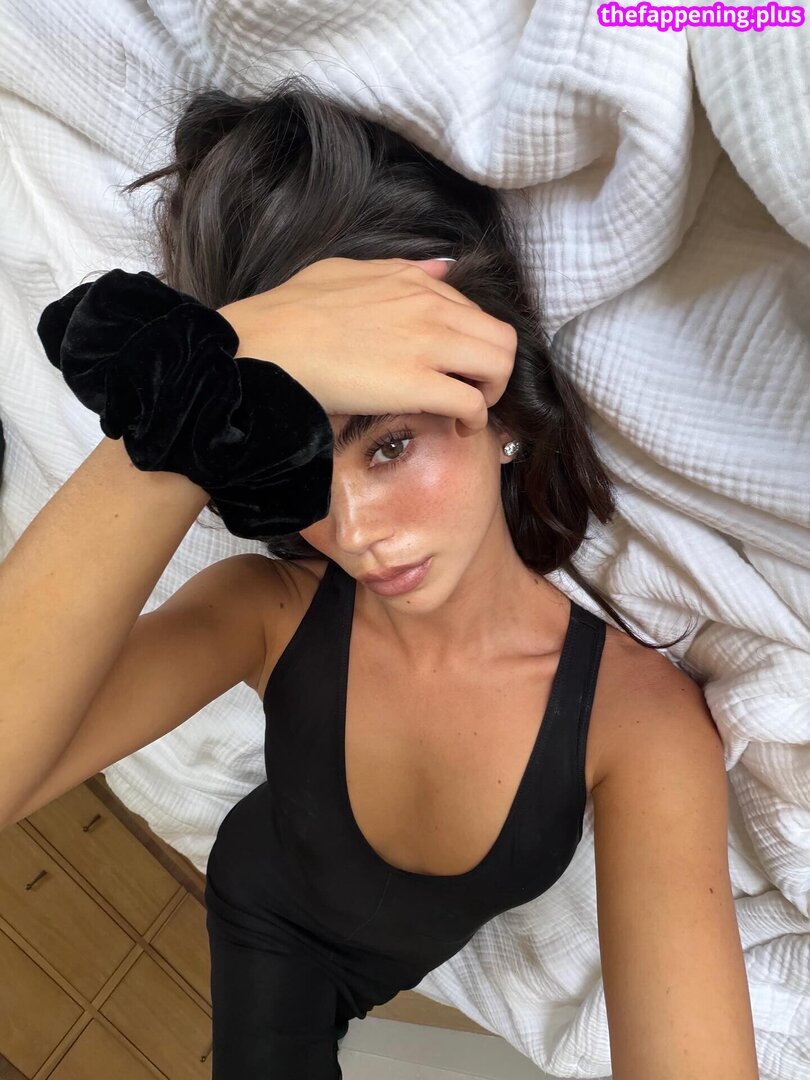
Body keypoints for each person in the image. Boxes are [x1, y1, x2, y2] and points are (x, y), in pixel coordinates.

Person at [0, 76, 760, 1079]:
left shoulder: (640, 728)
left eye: (390, 443)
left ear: (498, 405)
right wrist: (217, 377)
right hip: (262, 913)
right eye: (302, 466)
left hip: (380, 967)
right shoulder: (262, 611)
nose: (351, 532)